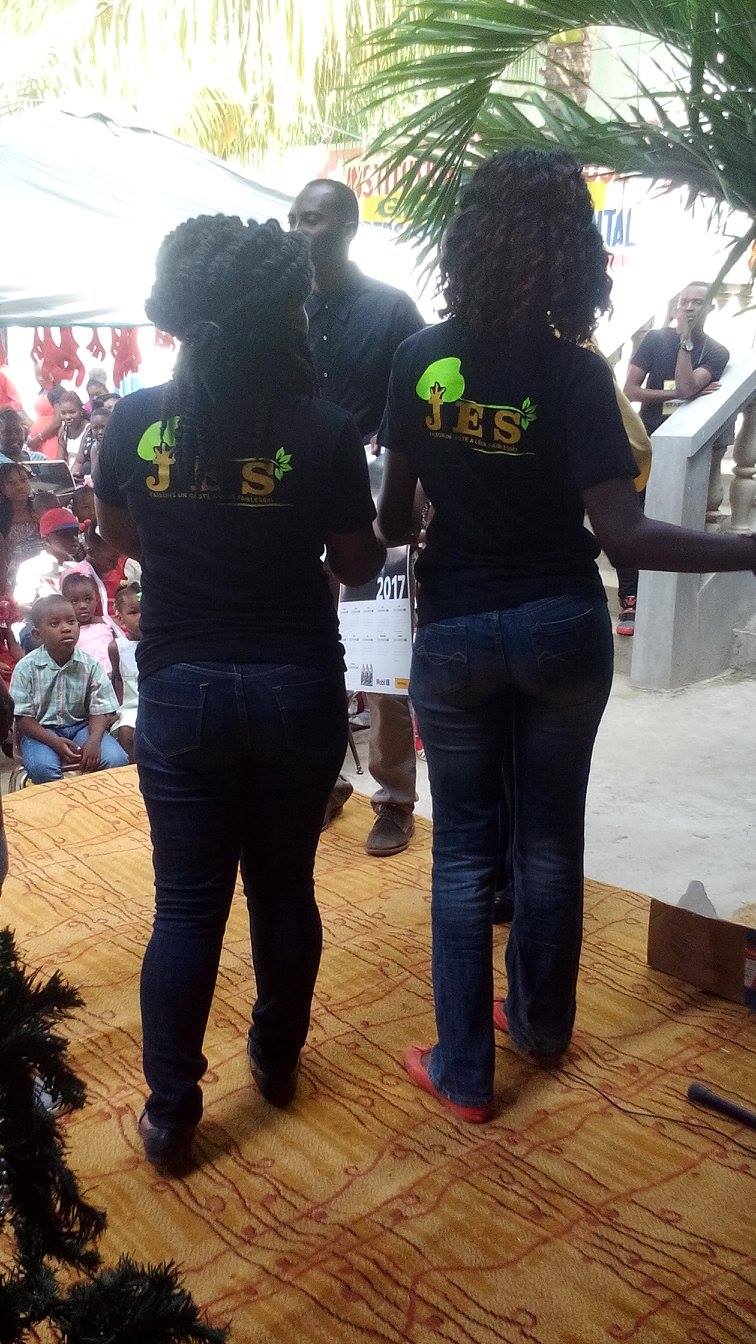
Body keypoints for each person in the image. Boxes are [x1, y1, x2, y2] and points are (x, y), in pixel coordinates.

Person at [377, 148, 756, 1125]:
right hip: (559, 626)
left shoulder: (418, 360)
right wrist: (750, 550)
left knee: (466, 852)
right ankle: (541, 1027)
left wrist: (450, 491)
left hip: (459, 629)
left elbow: (391, 521)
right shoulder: (580, 375)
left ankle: (464, 1069)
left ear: (467, 240)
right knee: (549, 840)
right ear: (572, 253)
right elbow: (624, 537)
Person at [93, 213, 384, 1174]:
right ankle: (276, 1059)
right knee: (283, 888)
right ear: (283, 308)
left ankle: (171, 1113)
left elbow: (119, 533)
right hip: (296, 684)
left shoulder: (135, 421)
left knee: (185, 908)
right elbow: (355, 564)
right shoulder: (323, 426)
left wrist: (190, 541)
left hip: (182, 688)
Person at [289, 177, 425, 856]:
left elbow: (422, 408)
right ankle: (326, 779)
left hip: (374, 501)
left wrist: (413, 497)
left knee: (381, 659)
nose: (297, 230)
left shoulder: (392, 309)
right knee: (310, 652)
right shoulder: (282, 308)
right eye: (292, 218)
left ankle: (394, 797)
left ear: (347, 227)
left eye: (311, 219)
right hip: (296, 497)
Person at [619, 282, 730, 634]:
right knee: (631, 518)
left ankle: (659, 602)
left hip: (684, 451)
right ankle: (629, 599)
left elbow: (685, 385)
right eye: (685, 302)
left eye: (698, 302)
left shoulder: (716, 352)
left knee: (669, 525)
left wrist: (685, 344)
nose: (690, 307)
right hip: (645, 444)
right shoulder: (655, 340)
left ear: (710, 307)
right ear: (676, 306)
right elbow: (630, 390)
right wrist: (681, 395)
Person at [10, 593, 128, 785]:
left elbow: (100, 709)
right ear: (38, 634)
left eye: (71, 622)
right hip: (40, 732)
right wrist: (54, 741)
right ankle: (62, 802)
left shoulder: (90, 665)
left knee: (116, 759)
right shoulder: (25, 668)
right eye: (54, 624)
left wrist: (94, 740)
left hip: (82, 727)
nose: (66, 628)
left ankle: (93, 800)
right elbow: (22, 718)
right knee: (43, 768)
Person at [60, 572, 117, 674]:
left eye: (88, 599)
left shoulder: (107, 622)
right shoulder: (67, 631)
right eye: (74, 601)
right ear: (65, 603)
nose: (83, 606)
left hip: (113, 675)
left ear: (97, 599)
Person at [109, 583, 141, 761]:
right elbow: (118, 678)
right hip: (131, 706)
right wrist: (118, 709)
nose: (141, 617)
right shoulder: (117, 648)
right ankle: (131, 771)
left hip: (154, 702)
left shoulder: (159, 644)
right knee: (126, 731)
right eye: (134, 612)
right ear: (121, 619)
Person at [0, 464, 45, 593]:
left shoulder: (40, 510)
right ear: (2, 488)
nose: (20, 486)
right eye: (12, 483)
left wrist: (43, 523)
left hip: (46, 572)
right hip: (16, 582)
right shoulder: (2, 519)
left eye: (23, 480)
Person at [58, 392, 90, 475]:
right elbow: (59, 461)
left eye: (72, 412)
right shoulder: (63, 431)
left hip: (84, 474)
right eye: (63, 413)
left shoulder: (89, 430)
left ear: (81, 411)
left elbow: (80, 462)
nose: (68, 417)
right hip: (69, 473)